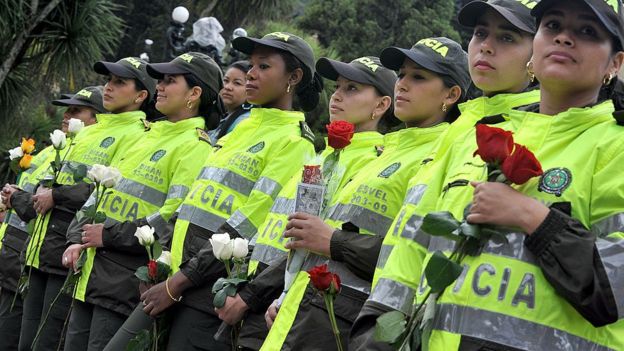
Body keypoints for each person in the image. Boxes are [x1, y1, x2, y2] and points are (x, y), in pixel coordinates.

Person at [359, 0, 624, 349]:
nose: (564, 39)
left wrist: (535, 218)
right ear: (537, 46)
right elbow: (415, 242)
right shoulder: (482, 135)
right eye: (553, 26)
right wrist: (376, 331)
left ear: (615, 63)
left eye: (587, 31)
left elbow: (615, 291)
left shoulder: (615, 145)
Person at [350, 2, 544, 347]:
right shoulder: (463, 128)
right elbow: (413, 236)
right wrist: (377, 326)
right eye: (481, 33)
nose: (485, 45)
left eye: (508, 37)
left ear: (538, 53)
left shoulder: (538, 134)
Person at [258, 37, 470, 351]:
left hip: (347, 322)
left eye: (419, 77)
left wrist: (334, 242)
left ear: (451, 95)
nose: (403, 85)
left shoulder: (442, 155)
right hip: (304, 312)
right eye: (402, 75)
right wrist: (286, 295)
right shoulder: (387, 154)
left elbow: (416, 252)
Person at [137, 32, 322, 351]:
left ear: (294, 77)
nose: (251, 73)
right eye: (251, 65)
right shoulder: (242, 128)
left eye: (264, 66)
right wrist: (164, 262)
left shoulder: (294, 143)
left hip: (210, 290)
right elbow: (193, 203)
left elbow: (248, 225)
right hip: (180, 278)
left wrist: (179, 282)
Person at [216, 55, 396, 350]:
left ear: (381, 105)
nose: (336, 95)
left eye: (352, 89)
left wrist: (264, 295)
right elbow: (297, 237)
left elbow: (323, 241)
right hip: (275, 296)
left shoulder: (371, 162)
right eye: (337, 86)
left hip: (313, 311)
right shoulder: (322, 157)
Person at [60, 52, 222, 351]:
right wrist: (76, 238)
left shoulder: (195, 147)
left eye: (170, 81)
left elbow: (171, 217)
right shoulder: (145, 136)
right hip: (90, 269)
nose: (160, 86)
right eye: (159, 80)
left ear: (195, 94)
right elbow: (99, 194)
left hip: (123, 280)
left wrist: (107, 236)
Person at [11, 56, 155, 351]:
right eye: (108, 81)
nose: (108, 88)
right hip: (45, 244)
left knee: (48, 338)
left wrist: (57, 196)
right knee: (29, 338)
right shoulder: (88, 132)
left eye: (119, 82)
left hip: (72, 250)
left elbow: (103, 187)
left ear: (141, 96)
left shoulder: (137, 134)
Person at [0, 86, 104, 351]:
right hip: (22, 255)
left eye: (76, 110)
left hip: (53, 258)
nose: (66, 115)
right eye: (66, 109)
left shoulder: (92, 152)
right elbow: (34, 201)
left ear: (97, 118)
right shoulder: (52, 152)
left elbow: (43, 203)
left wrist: (20, 198)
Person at [209, 60, 252, 143]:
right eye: (225, 80)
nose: (228, 87)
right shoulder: (222, 115)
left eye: (237, 83)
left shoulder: (244, 122)